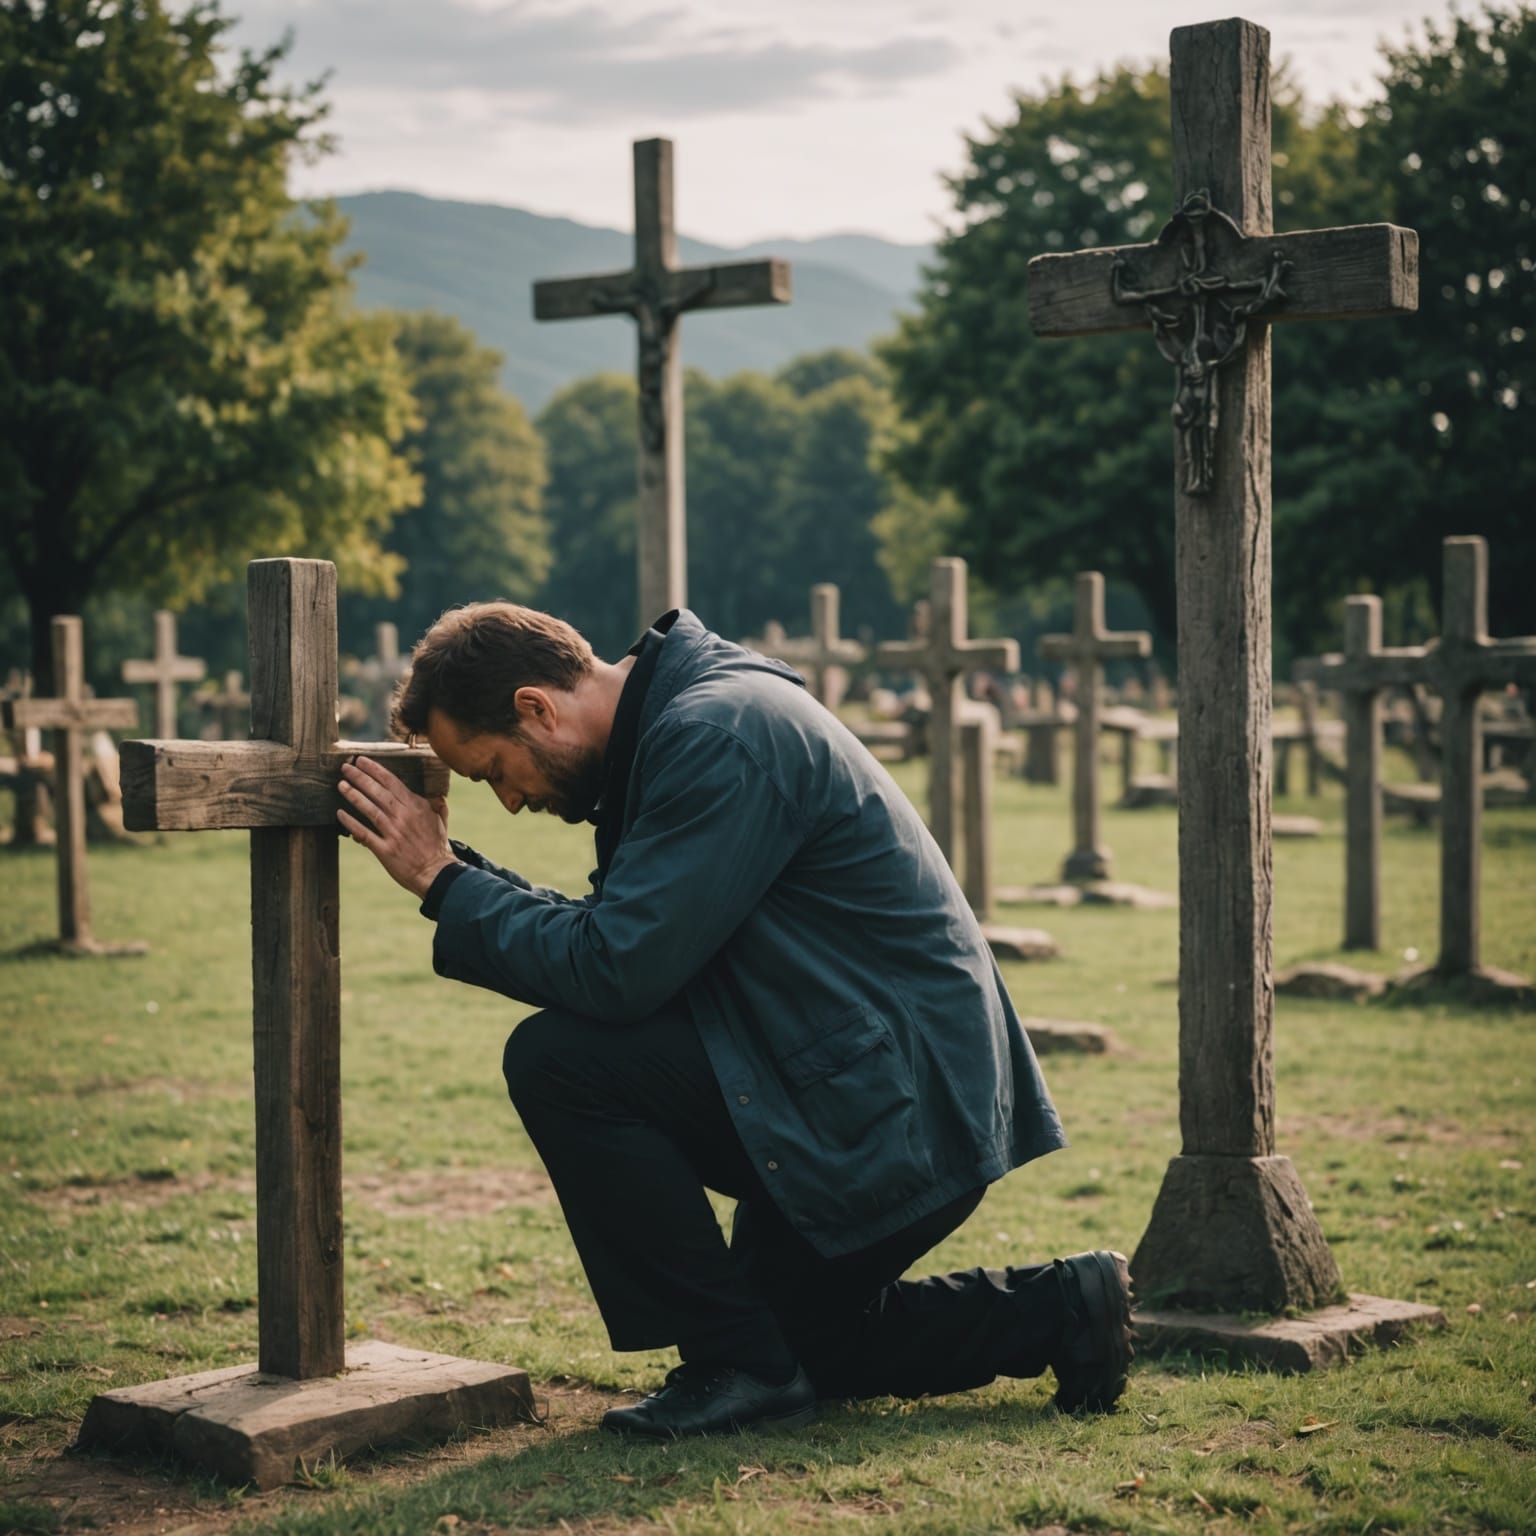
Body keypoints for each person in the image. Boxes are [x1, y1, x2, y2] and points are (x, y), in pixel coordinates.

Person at [336, 603, 1134, 1441]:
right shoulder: (684, 723)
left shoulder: (714, 734)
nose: (507, 800)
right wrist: (457, 874)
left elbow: (615, 970)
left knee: (560, 1062)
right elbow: (626, 937)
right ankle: (1060, 1309)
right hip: (852, 1076)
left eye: (495, 770)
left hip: (888, 1101)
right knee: (792, 1345)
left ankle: (737, 1367)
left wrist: (444, 883)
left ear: (535, 708)